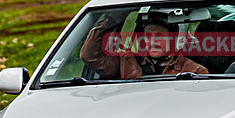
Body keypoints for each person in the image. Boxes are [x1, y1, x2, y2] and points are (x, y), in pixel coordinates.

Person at [80, 12, 208, 80]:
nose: (153, 41)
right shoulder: (126, 60)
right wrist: (109, 22)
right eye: (148, 36)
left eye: (159, 36)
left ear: (172, 40)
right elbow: (90, 57)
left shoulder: (195, 70)